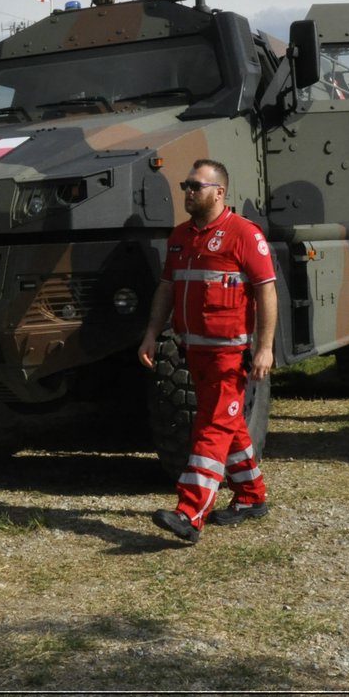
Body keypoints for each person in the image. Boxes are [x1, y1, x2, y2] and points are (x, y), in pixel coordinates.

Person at [139, 159, 276, 544]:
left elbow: (267, 290)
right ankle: (251, 496)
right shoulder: (181, 236)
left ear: (219, 192)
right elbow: (167, 289)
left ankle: (190, 512)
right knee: (227, 425)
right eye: (186, 184)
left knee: (212, 427)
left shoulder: (244, 235)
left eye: (195, 186)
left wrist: (264, 348)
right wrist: (151, 334)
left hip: (230, 356)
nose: (188, 192)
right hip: (193, 352)